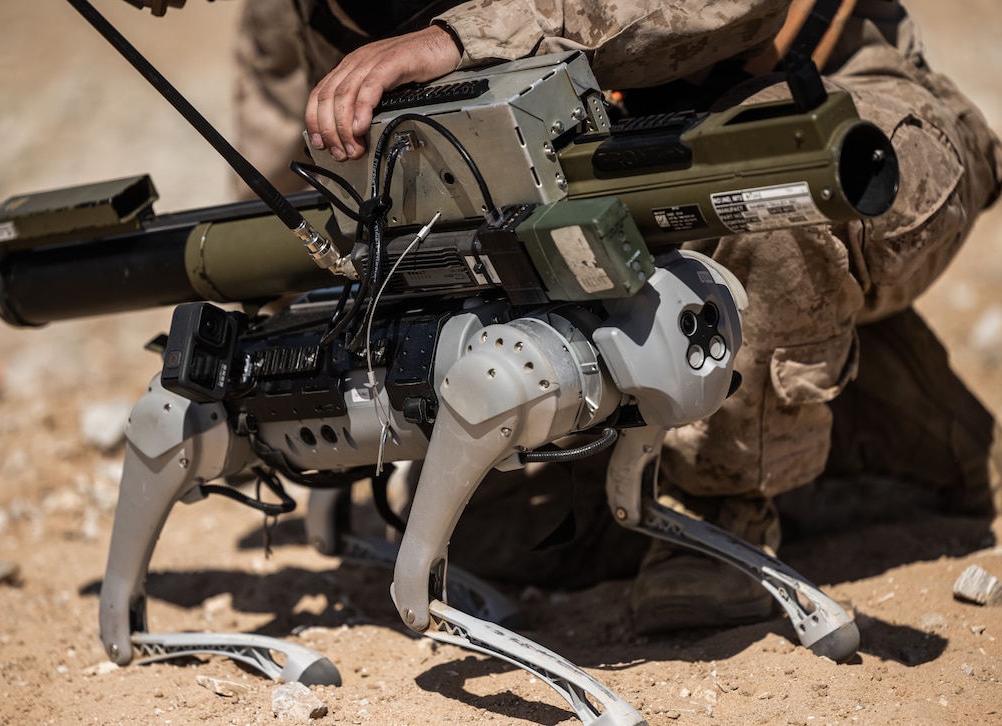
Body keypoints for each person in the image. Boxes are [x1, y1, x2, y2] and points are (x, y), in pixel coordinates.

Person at [236, 0, 1002, 632]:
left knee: (763, 177)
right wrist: (278, 354)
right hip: (600, 192)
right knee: (506, 541)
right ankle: (890, 419)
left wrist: (459, 39)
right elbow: (293, 181)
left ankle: (725, 503)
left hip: (842, 115)